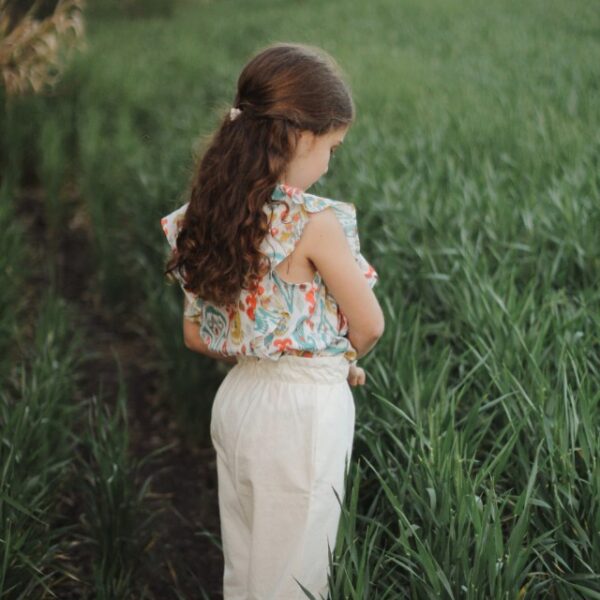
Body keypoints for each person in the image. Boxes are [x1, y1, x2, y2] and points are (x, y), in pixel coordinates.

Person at [160, 42, 384, 600]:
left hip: (238, 402)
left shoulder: (206, 212)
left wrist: (283, 353)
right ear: (300, 136)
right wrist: (336, 361)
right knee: (293, 579)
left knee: (247, 568)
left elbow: (197, 333)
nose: (331, 160)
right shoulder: (315, 223)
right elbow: (370, 325)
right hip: (301, 417)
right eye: (333, 145)